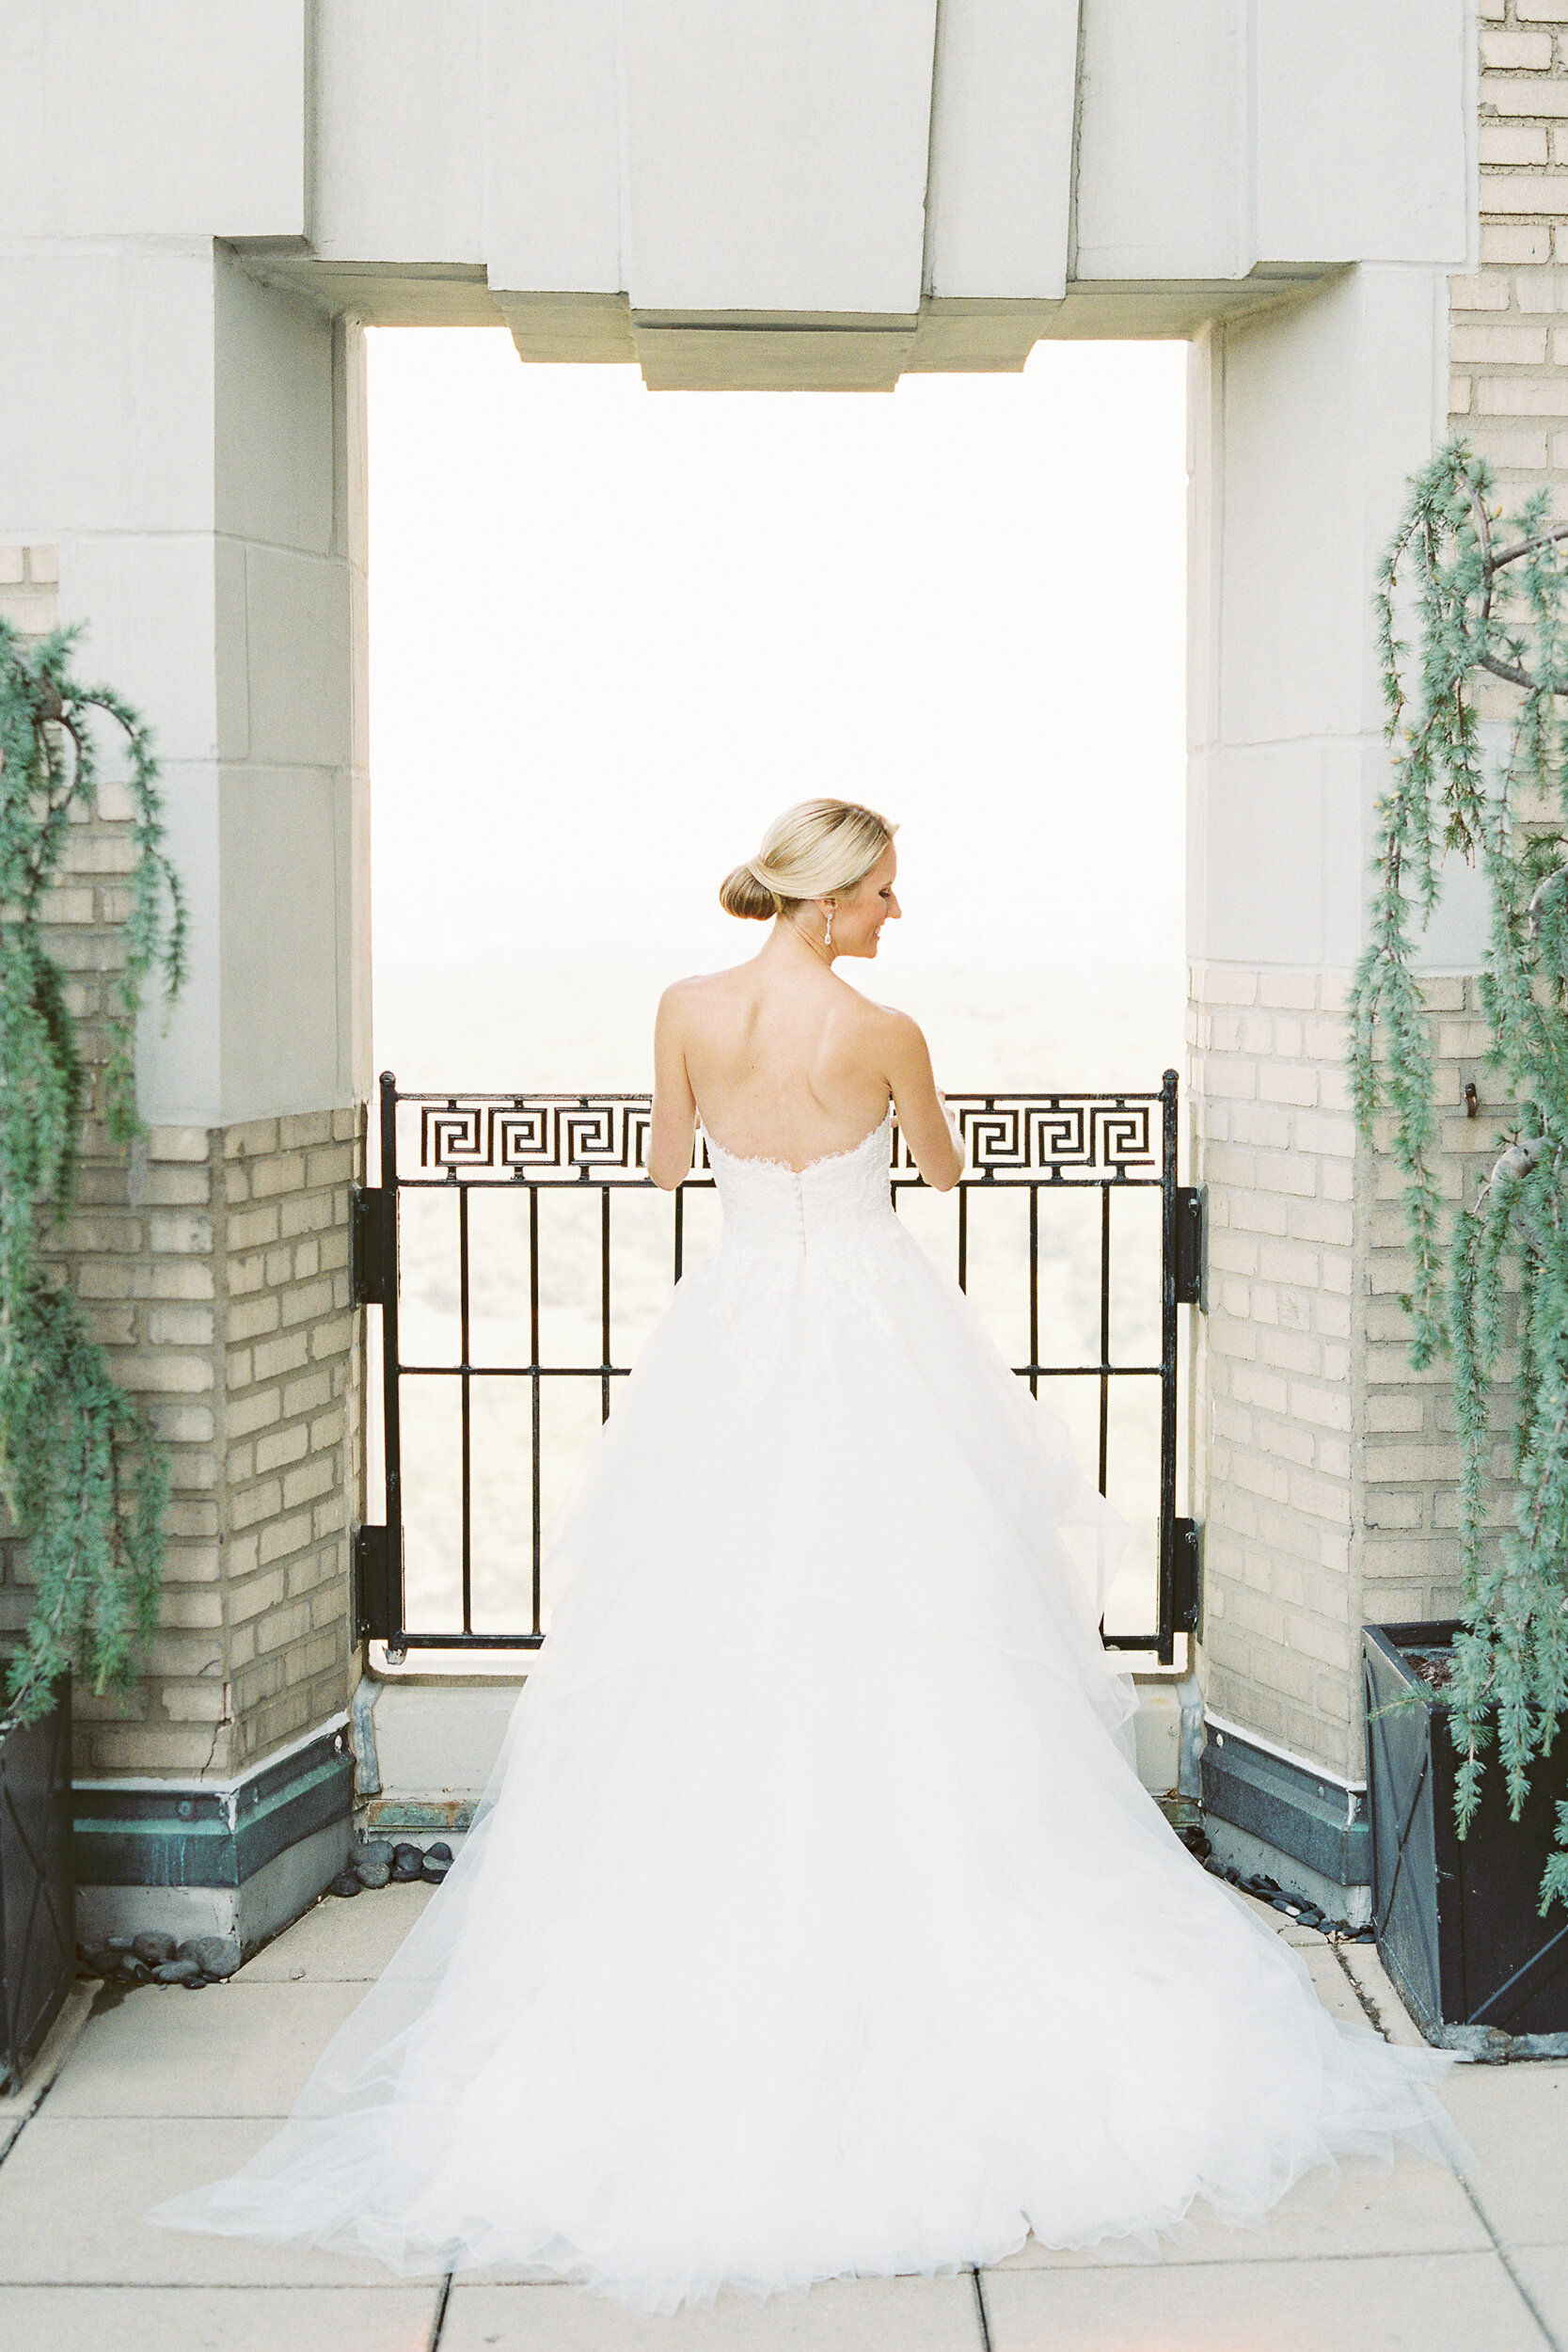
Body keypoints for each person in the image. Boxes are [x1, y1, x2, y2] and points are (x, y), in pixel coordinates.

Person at [150, 796, 1467, 2312]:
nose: (900, 917)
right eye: (889, 893)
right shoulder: (886, 1030)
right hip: (868, 1336)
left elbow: (661, 1166)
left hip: (736, 1341)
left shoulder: (685, 1011)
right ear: (832, 900)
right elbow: (946, 1170)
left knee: (716, 1629)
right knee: (914, 1623)